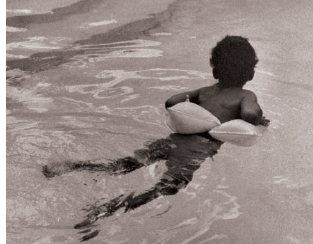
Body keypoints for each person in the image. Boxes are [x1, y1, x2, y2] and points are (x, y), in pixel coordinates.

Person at [42, 35, 269, 241]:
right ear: (251, 73)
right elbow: (250, 113)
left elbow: (172, 102)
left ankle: (72, 165)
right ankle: (102, 211)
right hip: (193, 153)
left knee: (121, 165)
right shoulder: (246, 95)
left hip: (171, 141)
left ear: (214, 69)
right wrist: (259, 119)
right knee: (165, 188)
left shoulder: (205, 91)